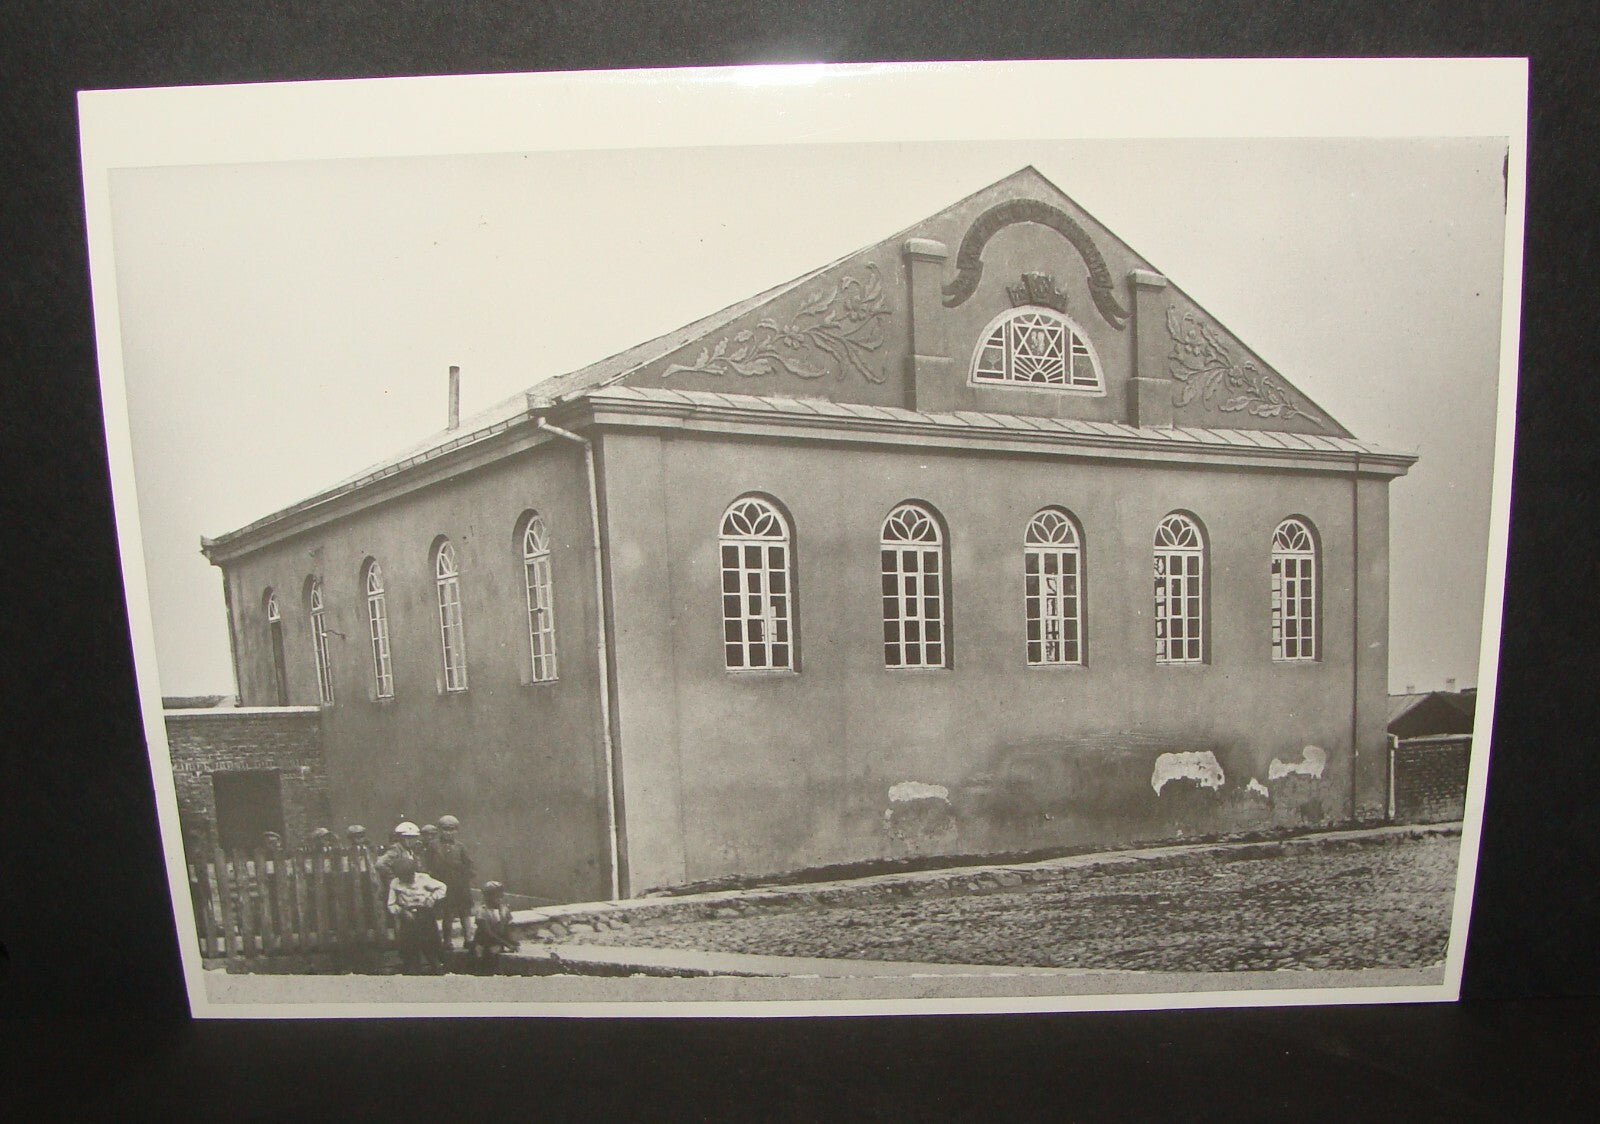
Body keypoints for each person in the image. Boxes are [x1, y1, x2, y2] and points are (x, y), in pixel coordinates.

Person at [385, 853, 447, 974]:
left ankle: (436, 966)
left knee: (431, 943)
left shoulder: (423, 878)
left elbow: (442, 887)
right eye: (404, 876)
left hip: (425, 914)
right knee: (409, 945)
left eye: (410, 875)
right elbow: (391, 904)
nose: (408, 879)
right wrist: (402, 911)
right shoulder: (395, 883)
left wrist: (432, 898)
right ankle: (413, 969)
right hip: (408, 916)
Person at [430, 814, 475, 949]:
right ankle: (447, 941)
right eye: (445, 829)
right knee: (447, 914)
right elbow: (429, 864)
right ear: (440, 830)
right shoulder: (434, 846)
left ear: (456, 831)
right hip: (444, 884)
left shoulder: (461, 847)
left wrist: (465, 876)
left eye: (452, 829)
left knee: (465, 913)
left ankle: (468, 939)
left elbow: (469, 865)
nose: (448, 833)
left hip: (460, 885)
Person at [469, 882, 519, 970]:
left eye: (500, 895)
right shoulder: (482, 911)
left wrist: (512, 941)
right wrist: (507, 944)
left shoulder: (504, 910)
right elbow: (487, 933)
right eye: (496, 896)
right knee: (480, 955)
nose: (499, 898)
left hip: (497, 942)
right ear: (488, 897)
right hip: (483, 943)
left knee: (495, 952)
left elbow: (508, 928)